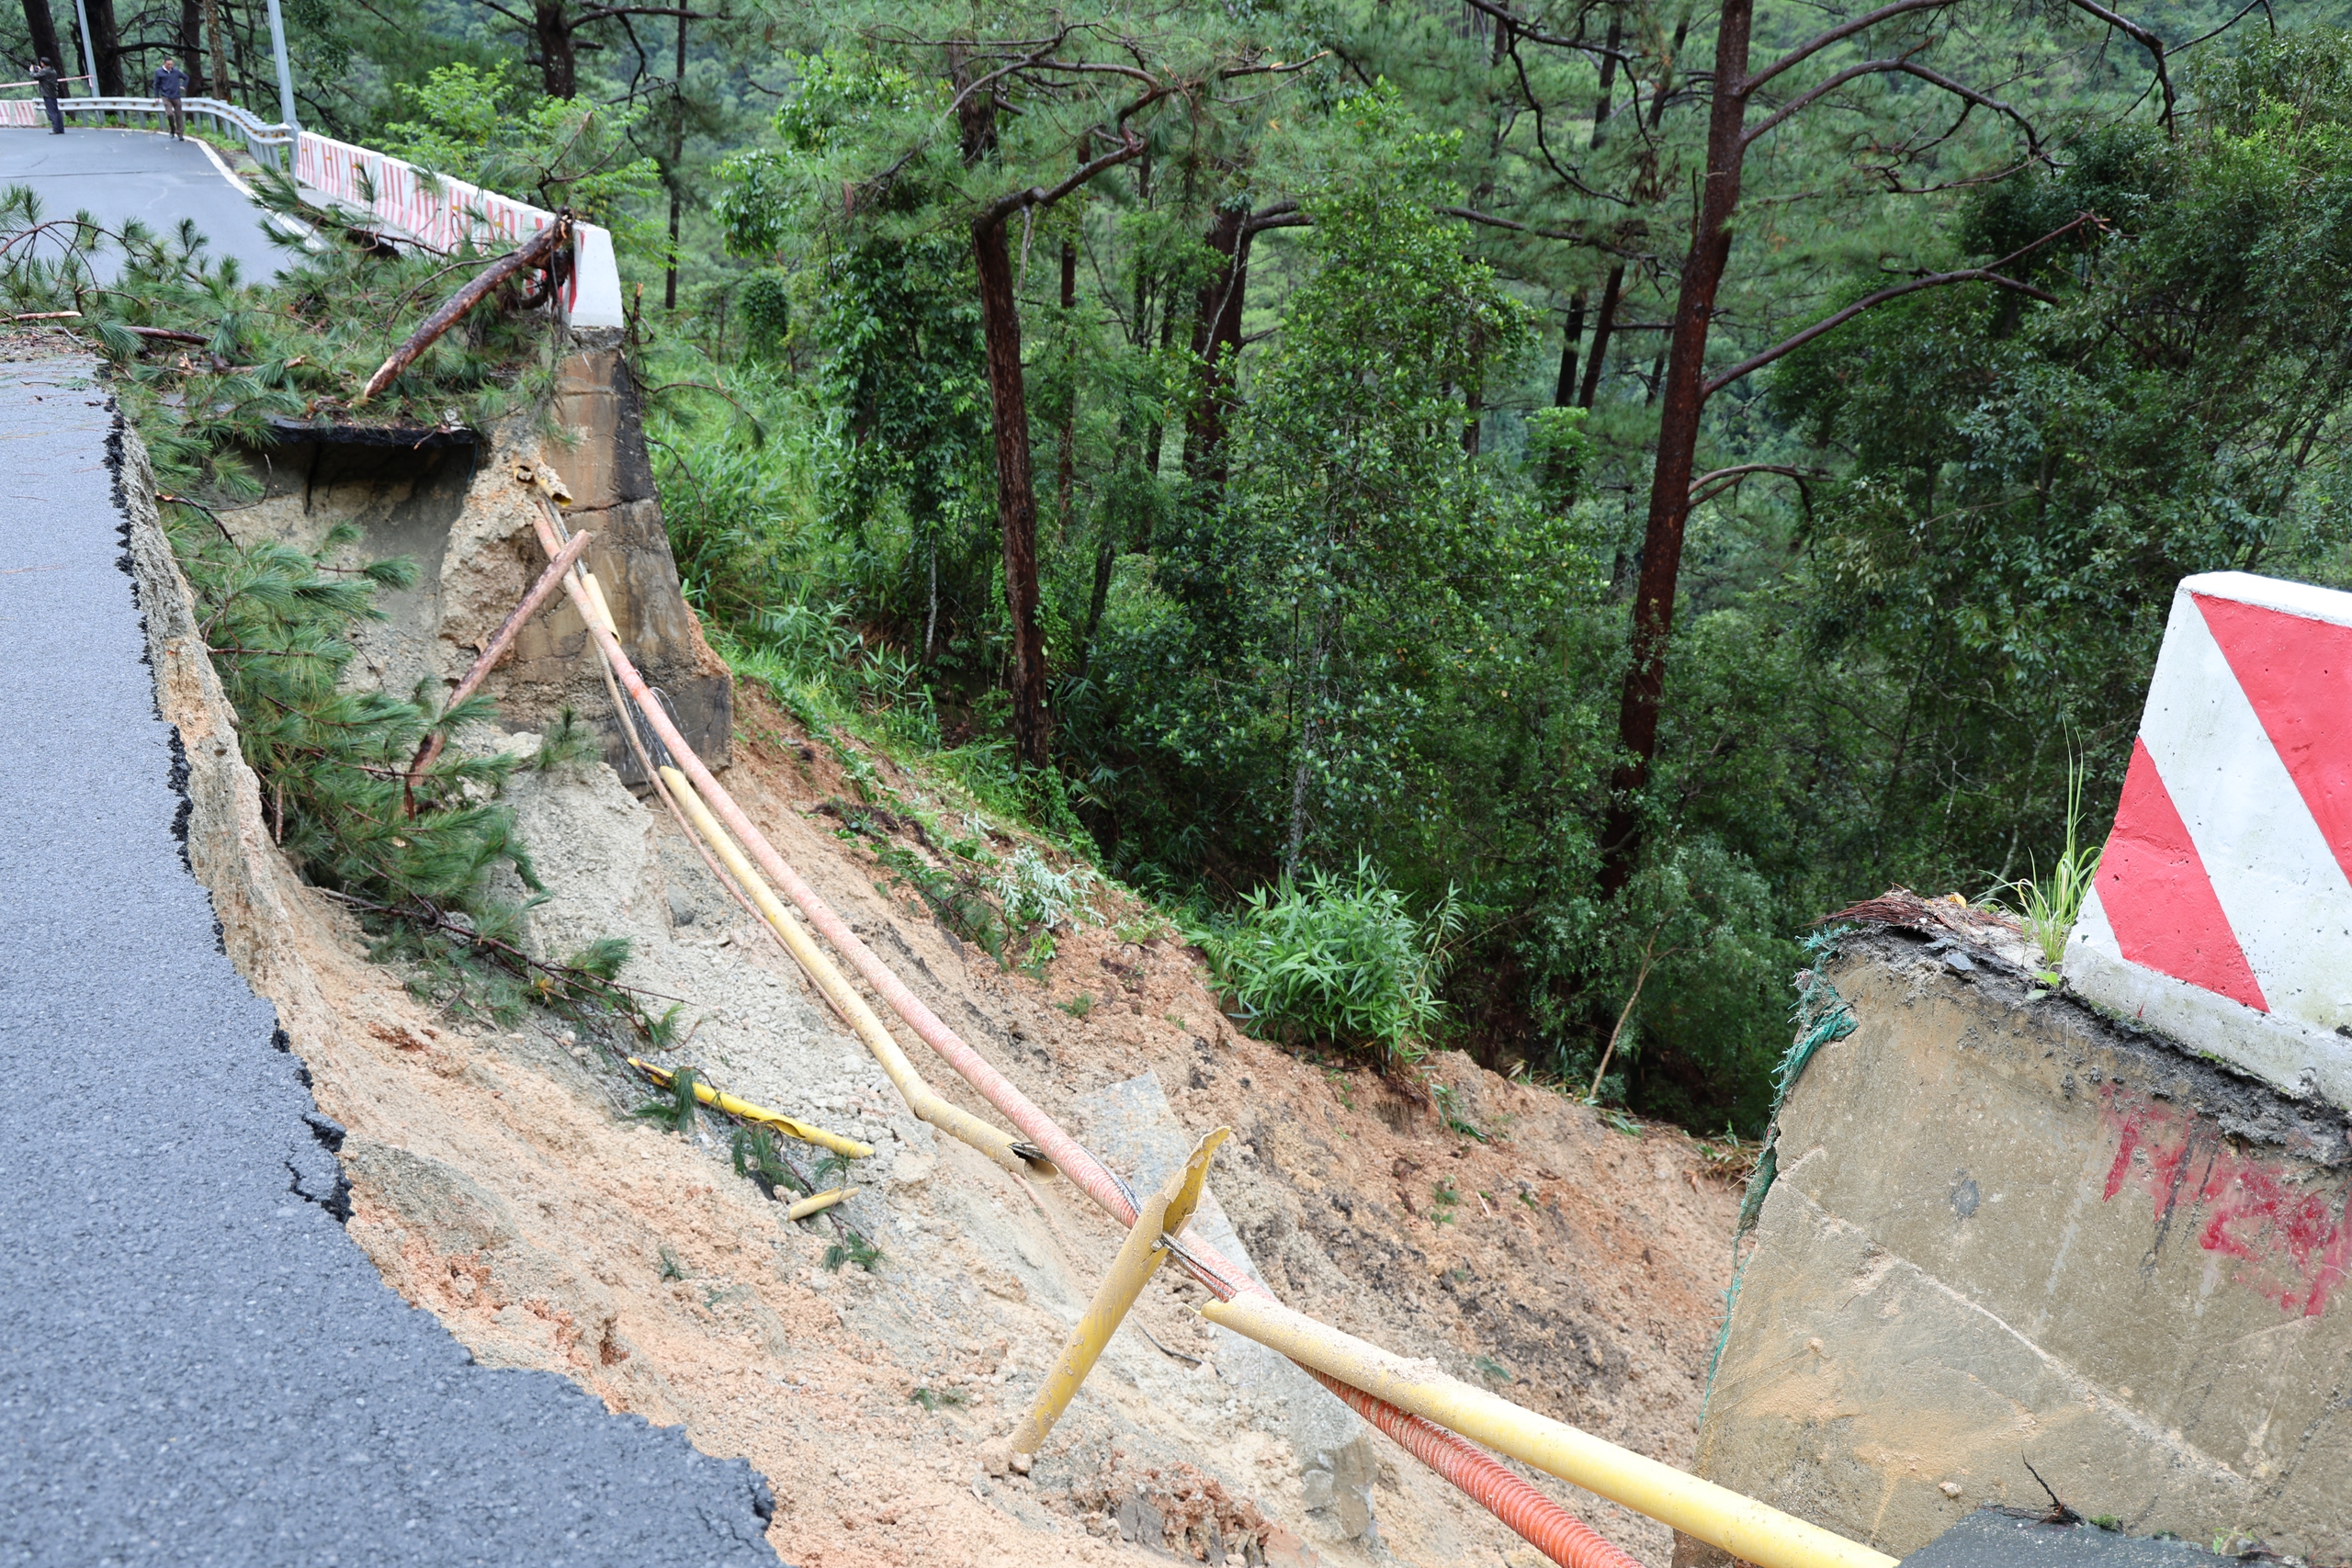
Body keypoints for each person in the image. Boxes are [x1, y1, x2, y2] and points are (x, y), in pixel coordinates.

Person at [153, 58, 187, 139]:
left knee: (179, 115)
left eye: (171, 64)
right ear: (164, 63)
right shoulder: (159, 72)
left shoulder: (176, 71)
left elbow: (186, 77)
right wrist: (156, 96)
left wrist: (183, 86)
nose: (170, 66)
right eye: (168, 64)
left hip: (176, 96)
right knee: (169, 114)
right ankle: (172, 129)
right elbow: (156, 85)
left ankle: (180, 133)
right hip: (166, 96)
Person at [31, 57, 62, 136]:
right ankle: (60, 128)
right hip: (53, 92)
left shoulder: (45, 71)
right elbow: (43, 75)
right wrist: (40, 70)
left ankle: (55, 129)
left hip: (47, 93)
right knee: (56, 111)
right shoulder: (52, 70)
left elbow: (35, 76)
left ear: (43, 63)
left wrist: (31, 71)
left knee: (52, 112)